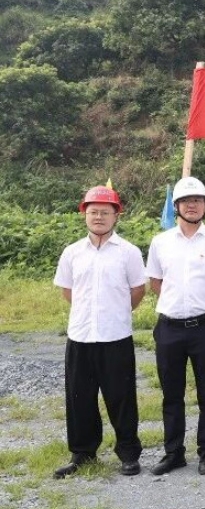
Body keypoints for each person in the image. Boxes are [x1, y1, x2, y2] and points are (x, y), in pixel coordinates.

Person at [52, 186, 146, 479]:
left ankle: (128, 454)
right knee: (79, 398)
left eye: (105, 212)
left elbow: (137, 290)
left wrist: (115, 312)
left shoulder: (128, 252)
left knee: (122, 398)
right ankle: (82, 453)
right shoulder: (72, 252)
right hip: (80, 336)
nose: (99, 217)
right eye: (93, 212)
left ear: (116, 215)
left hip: (115, 336)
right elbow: (68, 291)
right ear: (84, 214)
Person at [146, 176, 205, 476]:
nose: (192, 205)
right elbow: (155, 280)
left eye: (197, 200)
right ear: (176, 207)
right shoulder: (161, 242)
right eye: (186, 201)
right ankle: (173, 453)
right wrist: (175, 302)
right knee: (172, 394)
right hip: (169, 327)